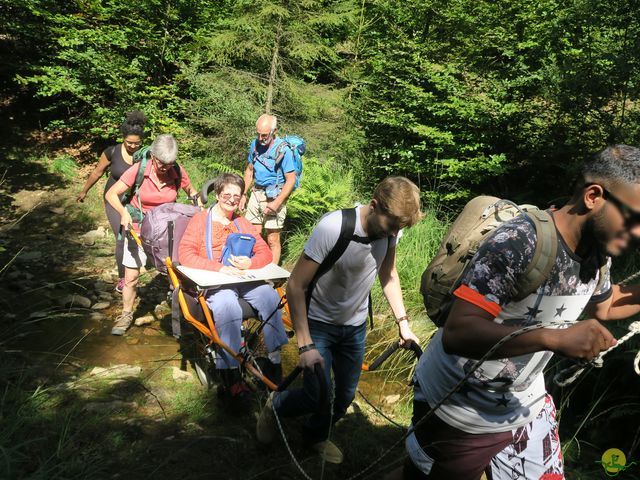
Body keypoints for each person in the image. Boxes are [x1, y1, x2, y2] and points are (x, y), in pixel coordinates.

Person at [400, 145, 640, 480]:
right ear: (593, 196)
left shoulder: (598, 253)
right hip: (459, 405)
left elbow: (605, 304)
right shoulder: (519, 241)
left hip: (524, 400)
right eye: (635, 218)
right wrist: (553, 339)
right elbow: (459, 332)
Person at [256, 176, 423, 464]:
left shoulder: (392, 231)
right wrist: (306, 345)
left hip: (354, 328)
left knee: (344, 396)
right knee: (317, 395)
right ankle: (276, 404)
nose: (394, 233)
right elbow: (296, 285)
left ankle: (314, 437)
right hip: (318, 324)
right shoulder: (334, 226)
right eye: (392, 225)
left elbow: (388, 274)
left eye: (399, 228)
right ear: (373, 206)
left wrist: (403, 322)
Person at [179, 173, 289, 403]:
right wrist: (217, 268)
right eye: (226, 194)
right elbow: (185, 254)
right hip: (216, 281)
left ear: (241, 198)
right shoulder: (201, 221)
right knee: (228, 305)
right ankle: (229, 375)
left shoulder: (242, 223)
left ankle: (274, 361)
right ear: (217, 195)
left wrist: (251, 262)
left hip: (244, 278)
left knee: (270, 296)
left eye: (236, 196)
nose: (231, 199)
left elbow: (265, 253)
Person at [105, 134, 199, 336]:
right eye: (162, 162)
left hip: (166, 233)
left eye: (170, 163)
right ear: (153, 156)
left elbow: (193, 193)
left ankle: (185, 314)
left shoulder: (177, 172)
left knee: (175, 274)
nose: (165, 167)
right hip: (138, 229)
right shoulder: (139, 170)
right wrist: (123, 213)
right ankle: (126, 314)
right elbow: (111, 194)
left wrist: (198, 204)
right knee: (131, 277)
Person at [77, 111, 147, 293]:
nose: (132, 146)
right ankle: (123, 279)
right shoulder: (112, 152)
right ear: (123, 138)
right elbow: (96, 172)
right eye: (129, 142)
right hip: (113, 198)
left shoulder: (146, 155)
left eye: (136, 143)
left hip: (135, 201)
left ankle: (139, 267)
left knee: (139, 235)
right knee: (122, 235)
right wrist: (84, 191)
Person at [239, 114, 296, 265]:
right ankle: (253, 267)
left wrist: (277, 203)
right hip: (256, 193)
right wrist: (243, 193)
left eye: (264, 135)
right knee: (253, 234)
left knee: (272, 239)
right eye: (258, 134)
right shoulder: (255, 144)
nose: (260, 138)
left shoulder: (284, 151)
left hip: (274, 196)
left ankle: (271, 275)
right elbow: (250, 170)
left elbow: (291, 179)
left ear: (274, 131)